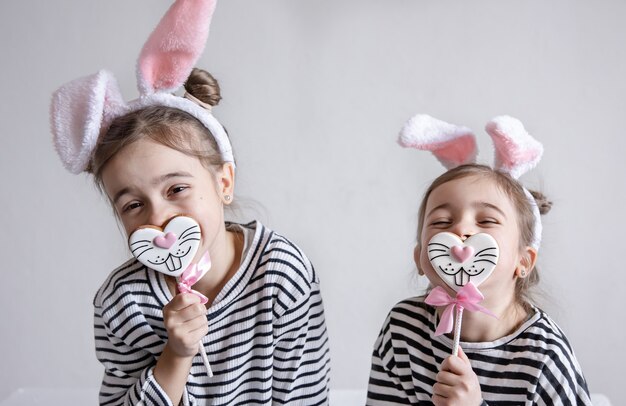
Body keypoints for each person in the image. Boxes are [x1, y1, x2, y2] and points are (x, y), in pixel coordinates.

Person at [50, 2, 329, 405]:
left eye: (176, 189)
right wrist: (174, 357)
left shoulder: (282, 274)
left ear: (223, 182)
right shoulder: (122, 301)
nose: (159, 218)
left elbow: (305, 395)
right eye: (132, 206)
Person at [366, 115, 591, 405]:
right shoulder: (403, 330)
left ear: (523, 261)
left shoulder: (545, 356)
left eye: (486, 220)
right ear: (420, 257)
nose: (461, 231)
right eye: (442, 221)